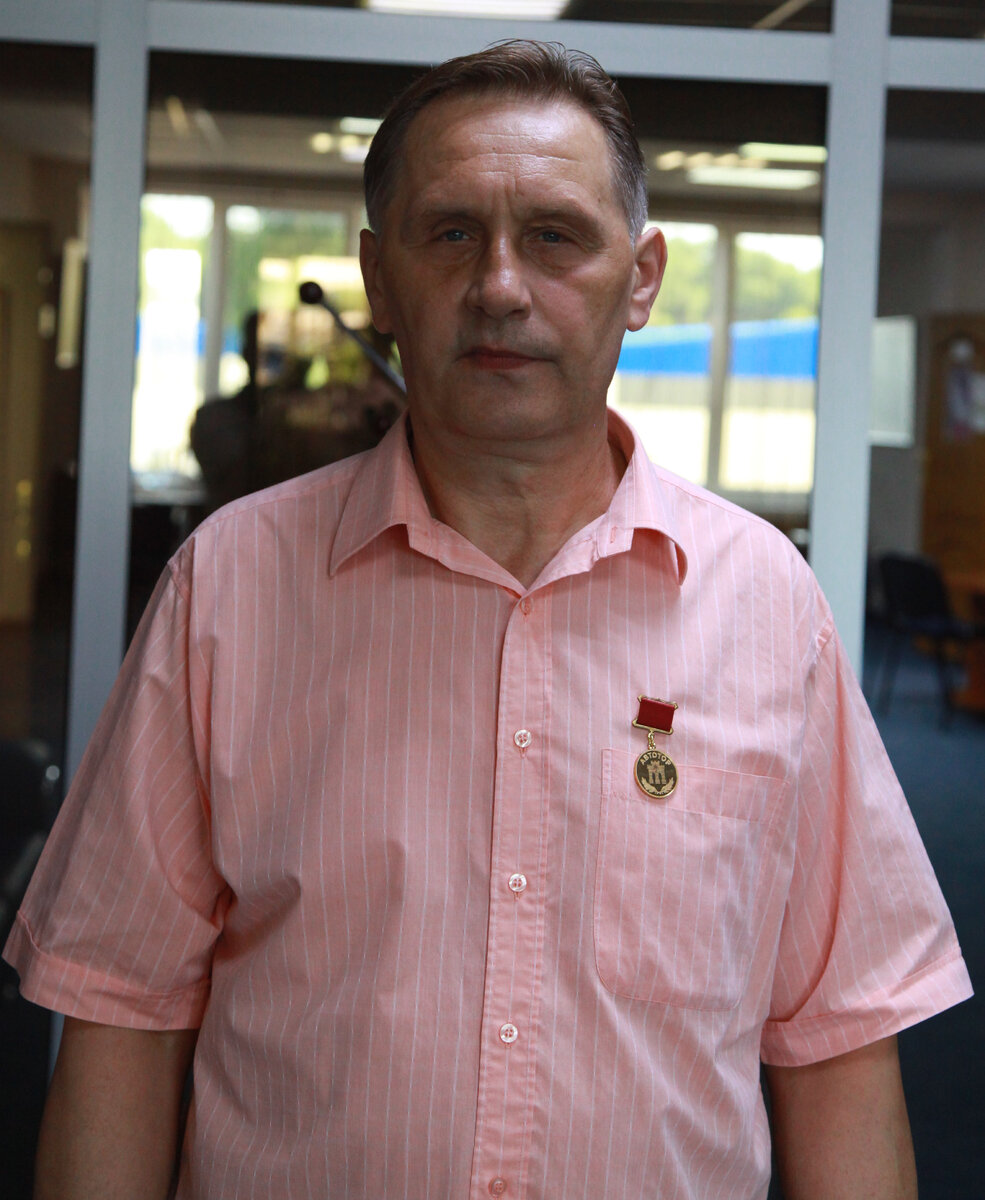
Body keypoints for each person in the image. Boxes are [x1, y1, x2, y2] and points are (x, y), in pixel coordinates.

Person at [4, 40, 972, 1200]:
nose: (501, 286)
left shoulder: (766, 604)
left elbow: (838, 1041)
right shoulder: (228, 587)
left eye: (556, 236)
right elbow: (120, 1011)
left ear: (643, 277)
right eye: (452, 232)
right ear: (379, 277)